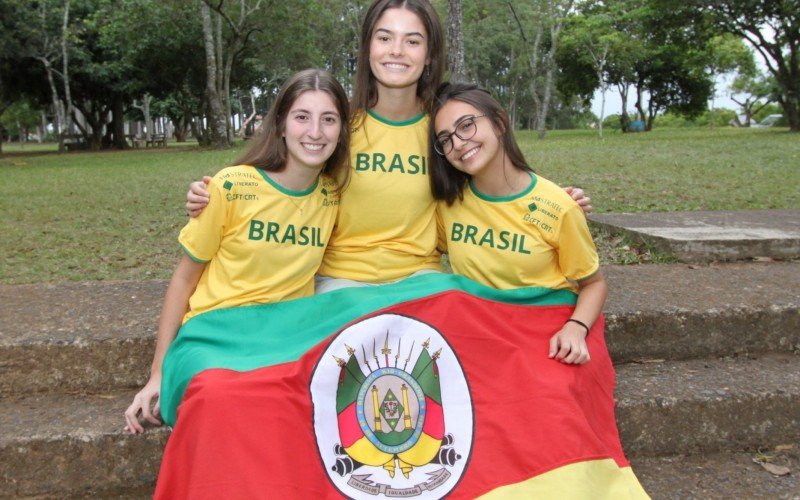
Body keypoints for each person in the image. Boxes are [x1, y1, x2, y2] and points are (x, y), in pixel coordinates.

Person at [185, 0, 592, 294]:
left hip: (422, 282)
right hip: (339, 284)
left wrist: (554, 200)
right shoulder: (338, 125)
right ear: (367, 47)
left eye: (412, 41)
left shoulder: (444, 130)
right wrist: (217, 193)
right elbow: (284, 176)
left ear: (429, 54)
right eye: (385, 37)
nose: (397, 50)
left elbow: (492, 171)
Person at [123, 68, 350, 434]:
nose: (315, 132)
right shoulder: (230, 186)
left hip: (285, 336)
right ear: (280, 124)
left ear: (341, 132)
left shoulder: (333, 197)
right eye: (302, 117)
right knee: (221, 397)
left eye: (329, 120)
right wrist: (156, 374)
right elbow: (183, 279)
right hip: (214, 334)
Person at [430, 82, 607, 365]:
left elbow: (594, 284)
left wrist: (576, 328)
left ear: (499, 123)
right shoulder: (448, 206)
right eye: (446, 140)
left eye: (466, 126)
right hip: (481, 333)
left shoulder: (558, 206)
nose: (458, 143)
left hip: (546, 330)